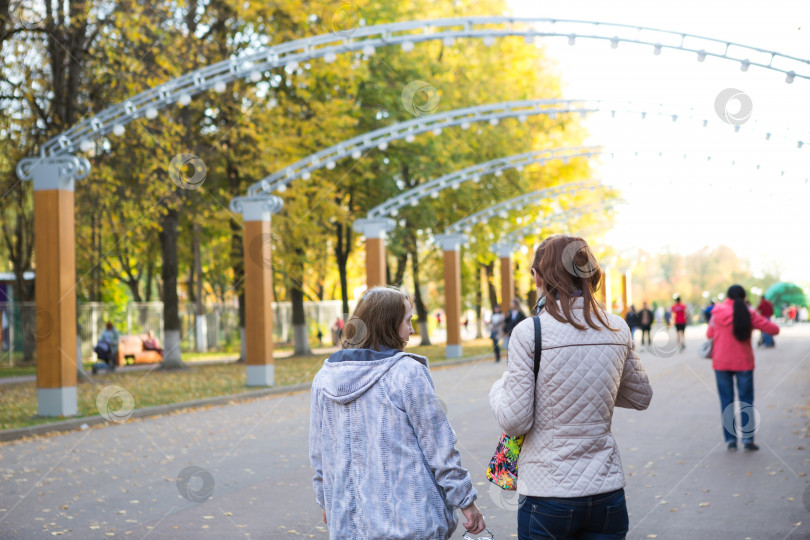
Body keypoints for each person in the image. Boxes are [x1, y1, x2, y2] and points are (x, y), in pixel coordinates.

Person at [490, 235, 652, 539]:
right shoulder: (617, 327)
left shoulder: (530, 331)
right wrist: (594, 385)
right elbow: (640, 396)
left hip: (548, 496)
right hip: (607, 493)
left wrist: (498, 389)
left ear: (540, 277)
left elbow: (515, 420)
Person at [309, 287, 485, 538]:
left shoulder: (323, 379)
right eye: (407, 321)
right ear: (387, 324)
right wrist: (466, 503)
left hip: (351, 527)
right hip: (410, 526)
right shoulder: (407, 373)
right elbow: (439, 447)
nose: (412, 330)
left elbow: (319, 455)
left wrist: (327, 501)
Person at [707, 285, 779, 451]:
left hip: (721, 362)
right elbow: (773, 329)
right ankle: (748, 440)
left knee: (727, 401)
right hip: (743, 362)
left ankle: (731, 441)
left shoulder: (717, 312)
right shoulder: (748, 313)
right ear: (743, 296)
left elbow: (709, 334)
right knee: (746, 401)